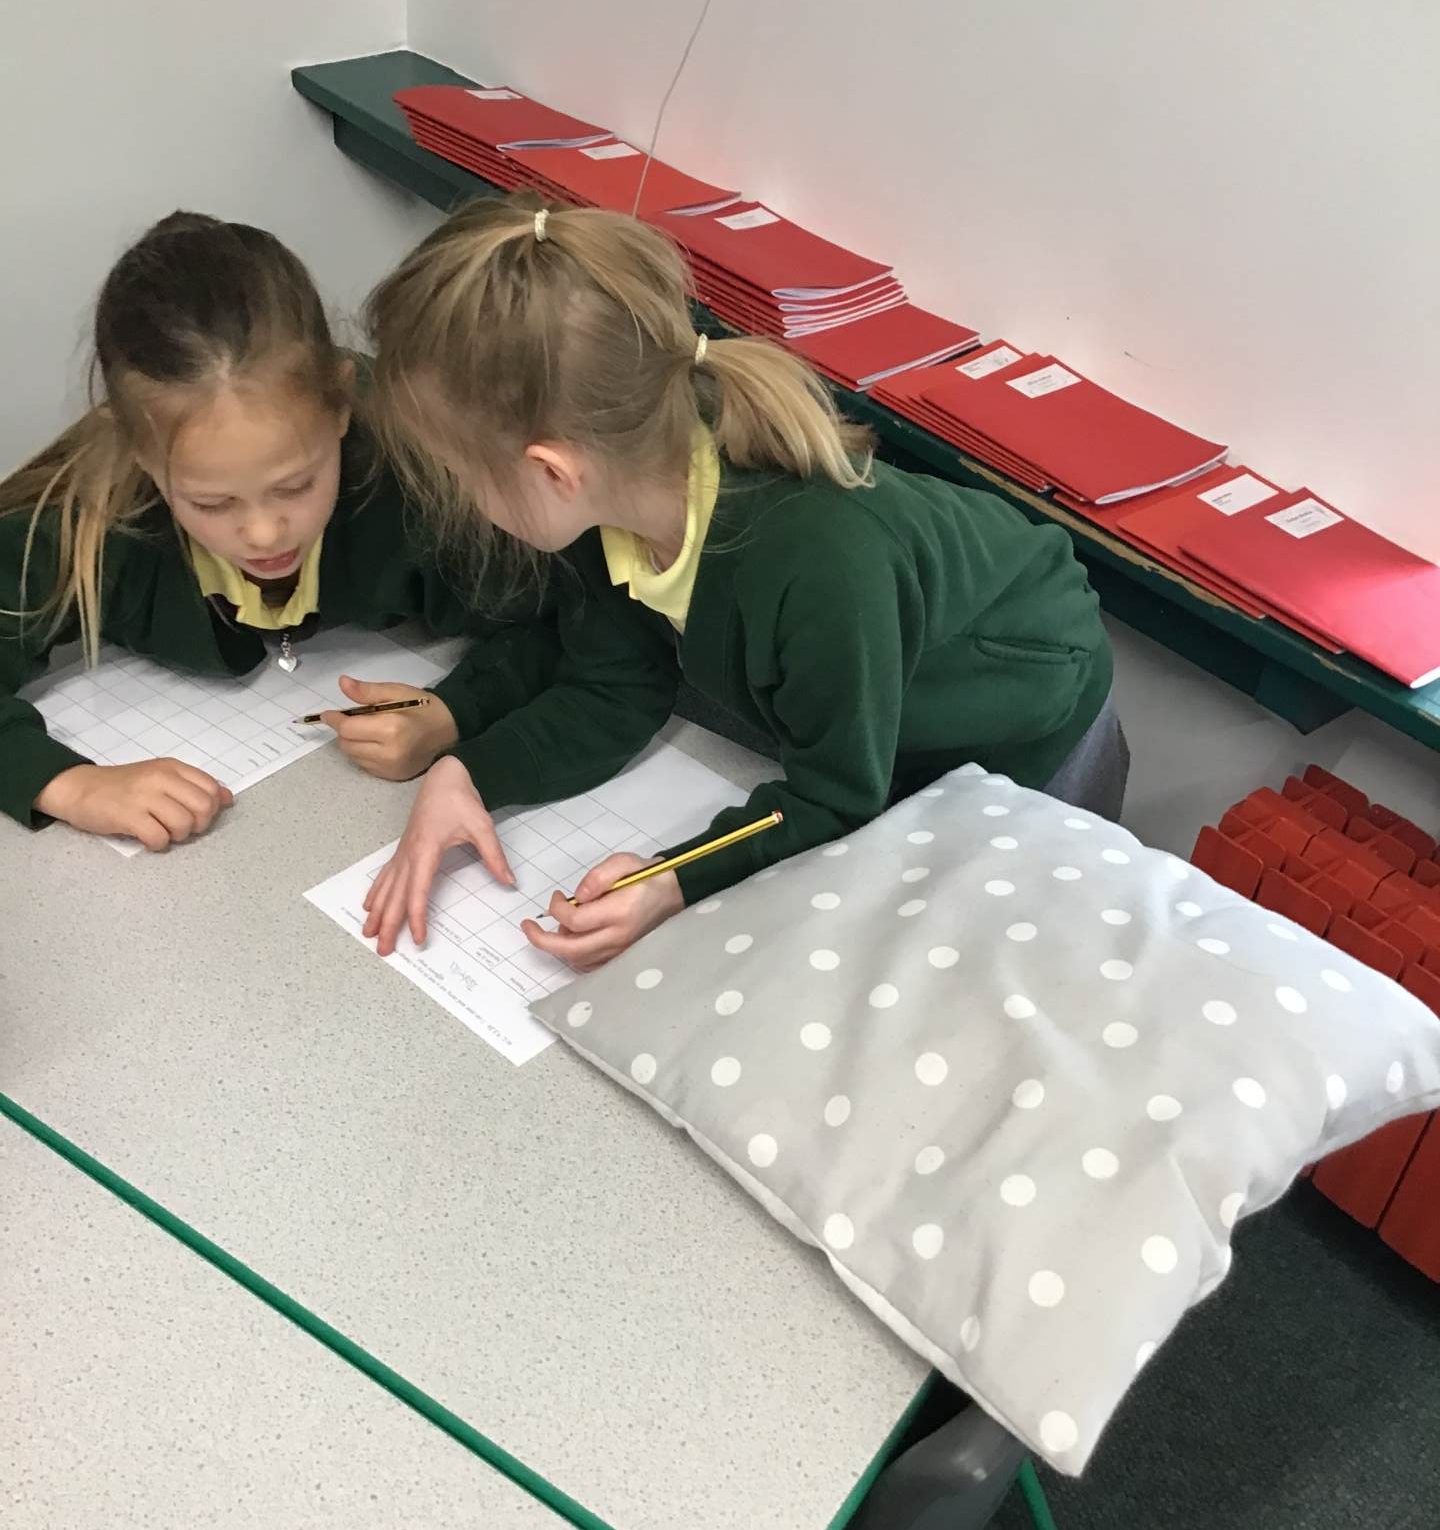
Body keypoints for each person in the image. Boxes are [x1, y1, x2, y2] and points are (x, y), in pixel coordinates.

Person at [360, 198, 1127, 968]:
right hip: (868, 705)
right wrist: (468, 772)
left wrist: (673, 881)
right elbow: (613, 686)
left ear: (552, 472)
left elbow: (834, 798)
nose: (462, 501)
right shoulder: (614, 496)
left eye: (459, 476)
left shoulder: (818, 563)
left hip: (1016, 716)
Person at [0, 210, 559, 850]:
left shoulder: (416, 478)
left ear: (341, 407)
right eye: (213, 503)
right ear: (140, 455)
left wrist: (456, 710)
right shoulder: (88, 520)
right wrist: (67, 784)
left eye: (295, 487)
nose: (265, 534)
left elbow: (572, 621)